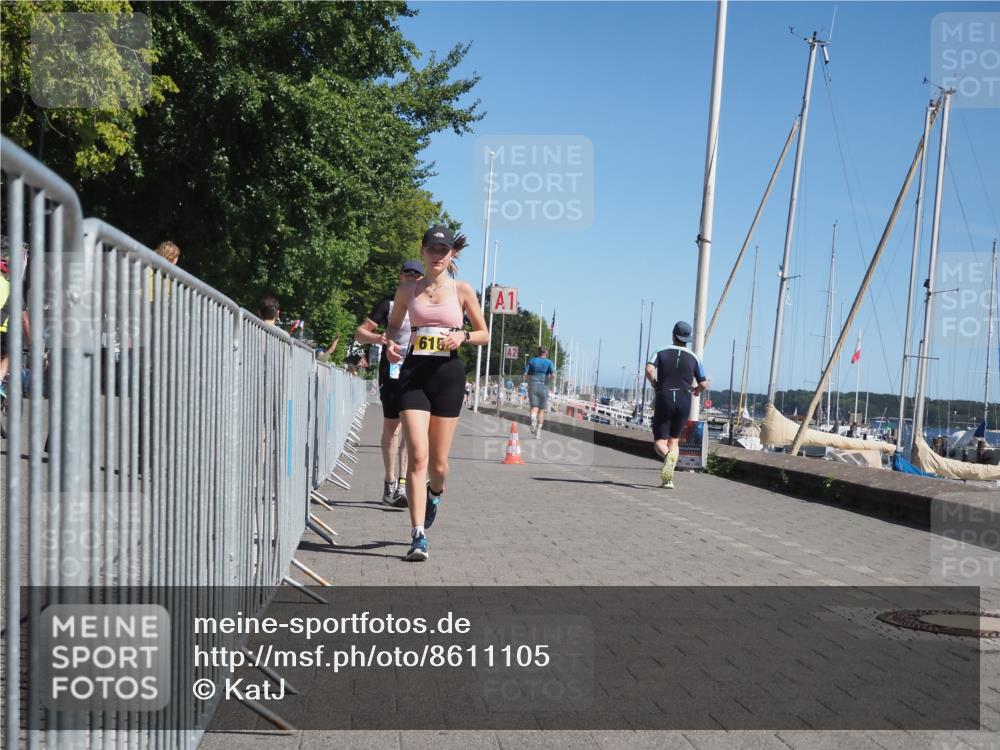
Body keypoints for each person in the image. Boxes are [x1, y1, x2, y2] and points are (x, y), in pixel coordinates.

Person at [385, 225, 488, 561]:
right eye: (432, 249)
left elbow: (485, 333)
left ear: (451, 254)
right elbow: (393, 326)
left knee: (439, 466)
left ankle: (435, 492)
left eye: (444, 250)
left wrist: (464, 337)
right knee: (417, 456)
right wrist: (390, 346)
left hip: (448, 375)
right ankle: (418, 535)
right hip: (414, 374)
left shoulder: (462, 290)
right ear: (423, 250)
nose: (438, 255)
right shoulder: (407, 289)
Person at [355, 260, 424, 507]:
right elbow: (359, 333)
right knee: (392, 426)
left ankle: (403, 485)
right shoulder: (389, 304)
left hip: (417, 370)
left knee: (412, 427)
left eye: (417, 275)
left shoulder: (426, 306)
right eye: (407, 273)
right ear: (400, 276)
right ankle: (390, 480)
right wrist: (380, 338)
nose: (412, 278)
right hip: (392, 369)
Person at [644, 321, 709, 489]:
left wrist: (655, 384)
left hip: (665, 396)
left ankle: (668, 458)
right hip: (684, 398)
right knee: (674, 440)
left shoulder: (660, 351)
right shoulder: (694, 357)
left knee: (660, 441)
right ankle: (668, 480)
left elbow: (649, 370)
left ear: (673, 335)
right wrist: (696, 390)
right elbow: (704, 383)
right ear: (687, 339)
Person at [524, 347, 555, 438]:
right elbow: (553, 375)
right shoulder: (549, 362)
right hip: (543, 386)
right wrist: (549, 381)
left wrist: (529, 381)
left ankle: (533, 419)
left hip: (533, 385)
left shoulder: (532, 361)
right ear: (546, 353)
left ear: (538, 352)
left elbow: (525, 374)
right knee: (541, 410)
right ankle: (538, 432)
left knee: (534, 407)